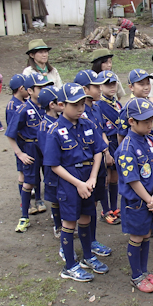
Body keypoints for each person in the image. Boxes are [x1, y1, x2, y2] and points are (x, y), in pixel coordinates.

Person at [44, 83, 109, 282]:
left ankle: (88, 256)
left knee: (86, 218)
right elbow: (54, 165)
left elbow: (98, 151)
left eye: (82, 103)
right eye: (75, 105)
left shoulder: (88, 124)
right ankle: (70, 266)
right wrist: (78, 183)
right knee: (69, 222)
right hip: (70, 181)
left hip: (89, 178)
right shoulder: (55, 130)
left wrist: (91, 178)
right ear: (62, 105)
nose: (80, 108)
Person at [115, 98, 153, 292]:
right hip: (136, 202)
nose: (150, 125)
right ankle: (136, 276)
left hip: (152, 199)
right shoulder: (126, 148)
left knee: (146, 236)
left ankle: (144, 272)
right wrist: (149, 199)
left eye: (152, 120)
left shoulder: (151, 140)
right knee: (137, 237)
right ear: (131, 121)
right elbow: (133, 180)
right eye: (145, 121)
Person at [5, 74, 53, 232]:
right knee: (29, 181)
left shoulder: (48, 107)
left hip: (46, 148)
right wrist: (20, 154)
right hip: (30, 149)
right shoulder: (22, 109)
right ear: (30, 91)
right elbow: (10, 134)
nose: (44, 90)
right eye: (41, 88)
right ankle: (24, 216)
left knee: (51, 179)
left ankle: (55, 214)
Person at [74, 69, 113, 257]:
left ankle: (93, 239)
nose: (100, 89)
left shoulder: (96, 107)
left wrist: (106, 150)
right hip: (85, 168)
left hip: (98, 163)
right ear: (84, 89)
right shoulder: (79, 113)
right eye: (96, 86)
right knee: (83, 209)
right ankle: (84, 243)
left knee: (95, 203)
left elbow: (102, 131)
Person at [96, 71, 123, 224]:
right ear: (100, 86)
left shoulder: (118, 103)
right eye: (107, 84)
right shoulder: (99, 105)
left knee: (115, 177)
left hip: (117, 142)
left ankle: (114, 207)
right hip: (106, 143)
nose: (112, 87)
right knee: (105, 178)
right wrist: (105, 152)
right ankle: (105, 210)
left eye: (114, 83)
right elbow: (100, 129)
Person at [36, 86, 63, 239]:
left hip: (62, 166)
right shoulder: (44, 126)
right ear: (52, 105)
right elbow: (47, 151)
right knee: (55, 198)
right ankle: (58, 226)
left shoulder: (60, 121)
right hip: (52, 168)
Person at [117, 69, 153, 144]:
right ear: (131, 87)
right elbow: (121, 135)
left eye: (148, 83)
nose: (146, 87)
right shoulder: (129, 107)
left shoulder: (150, 103)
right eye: (141, 84)